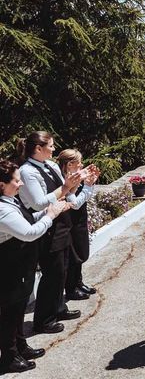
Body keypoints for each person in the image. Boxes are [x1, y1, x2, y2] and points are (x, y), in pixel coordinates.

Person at [0, 160, 68, 373]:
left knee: (19, 310)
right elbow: (29, 233)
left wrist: (50, 209)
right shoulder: (2, 209)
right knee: (10, 314)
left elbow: (27, 220)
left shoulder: (10, 200)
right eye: (16, 181)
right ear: (2, 184)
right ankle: (9, 357)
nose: (20, 184)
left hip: (21, 267)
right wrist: (50, 215)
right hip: (10, 269)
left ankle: (21, 347)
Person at [17, 132, 84, 334]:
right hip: (46, 227)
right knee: (52, 273)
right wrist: (64, 188)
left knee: (62, 270)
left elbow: (66, 191)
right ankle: (44, 320)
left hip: (62, 223)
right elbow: (38, 203)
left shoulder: (51, 165)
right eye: (51, 146)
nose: (54, 149)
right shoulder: (27, 172)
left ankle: (58, 308)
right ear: (38, 148)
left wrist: (77, 184)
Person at [57, 149, 100, 301]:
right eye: (79, 162)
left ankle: (78, 282)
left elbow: (84, 198)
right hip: (70, 221)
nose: (82, 165)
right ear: (70, 164)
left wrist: (89, 183)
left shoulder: (75, 178)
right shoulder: (64, 181)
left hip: (79, 219)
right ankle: (71, 288)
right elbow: (74, 203)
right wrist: (87, 186)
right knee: (74, 255)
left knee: (81, 251)